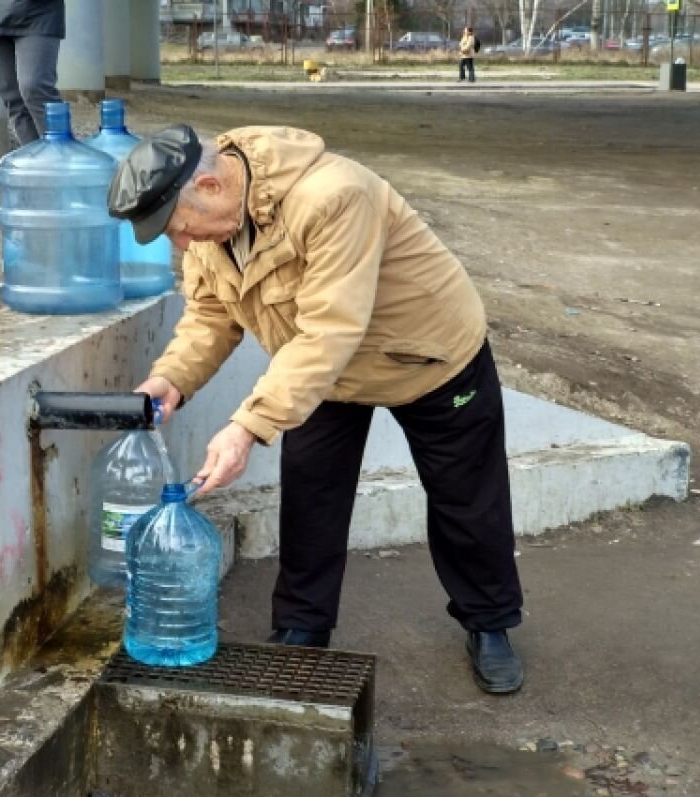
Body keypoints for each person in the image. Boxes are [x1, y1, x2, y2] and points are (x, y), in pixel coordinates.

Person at [107, 124, 525, 694]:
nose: (178, 244)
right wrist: (170, 378)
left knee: (465, 498)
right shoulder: (211, 230)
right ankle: (303, 626)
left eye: (177, 229)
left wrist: (248, 426)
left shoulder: (333, 196)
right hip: (318, 375)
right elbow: (209, 316)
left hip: (426, 355)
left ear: (208, 184)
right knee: (311, 493)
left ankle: (489, 621)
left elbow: (330, 328)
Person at [0, 0, 64, 146]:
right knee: (13, 97)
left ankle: (62, 155)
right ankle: (34, 159)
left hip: (37, 13)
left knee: (35, 87)